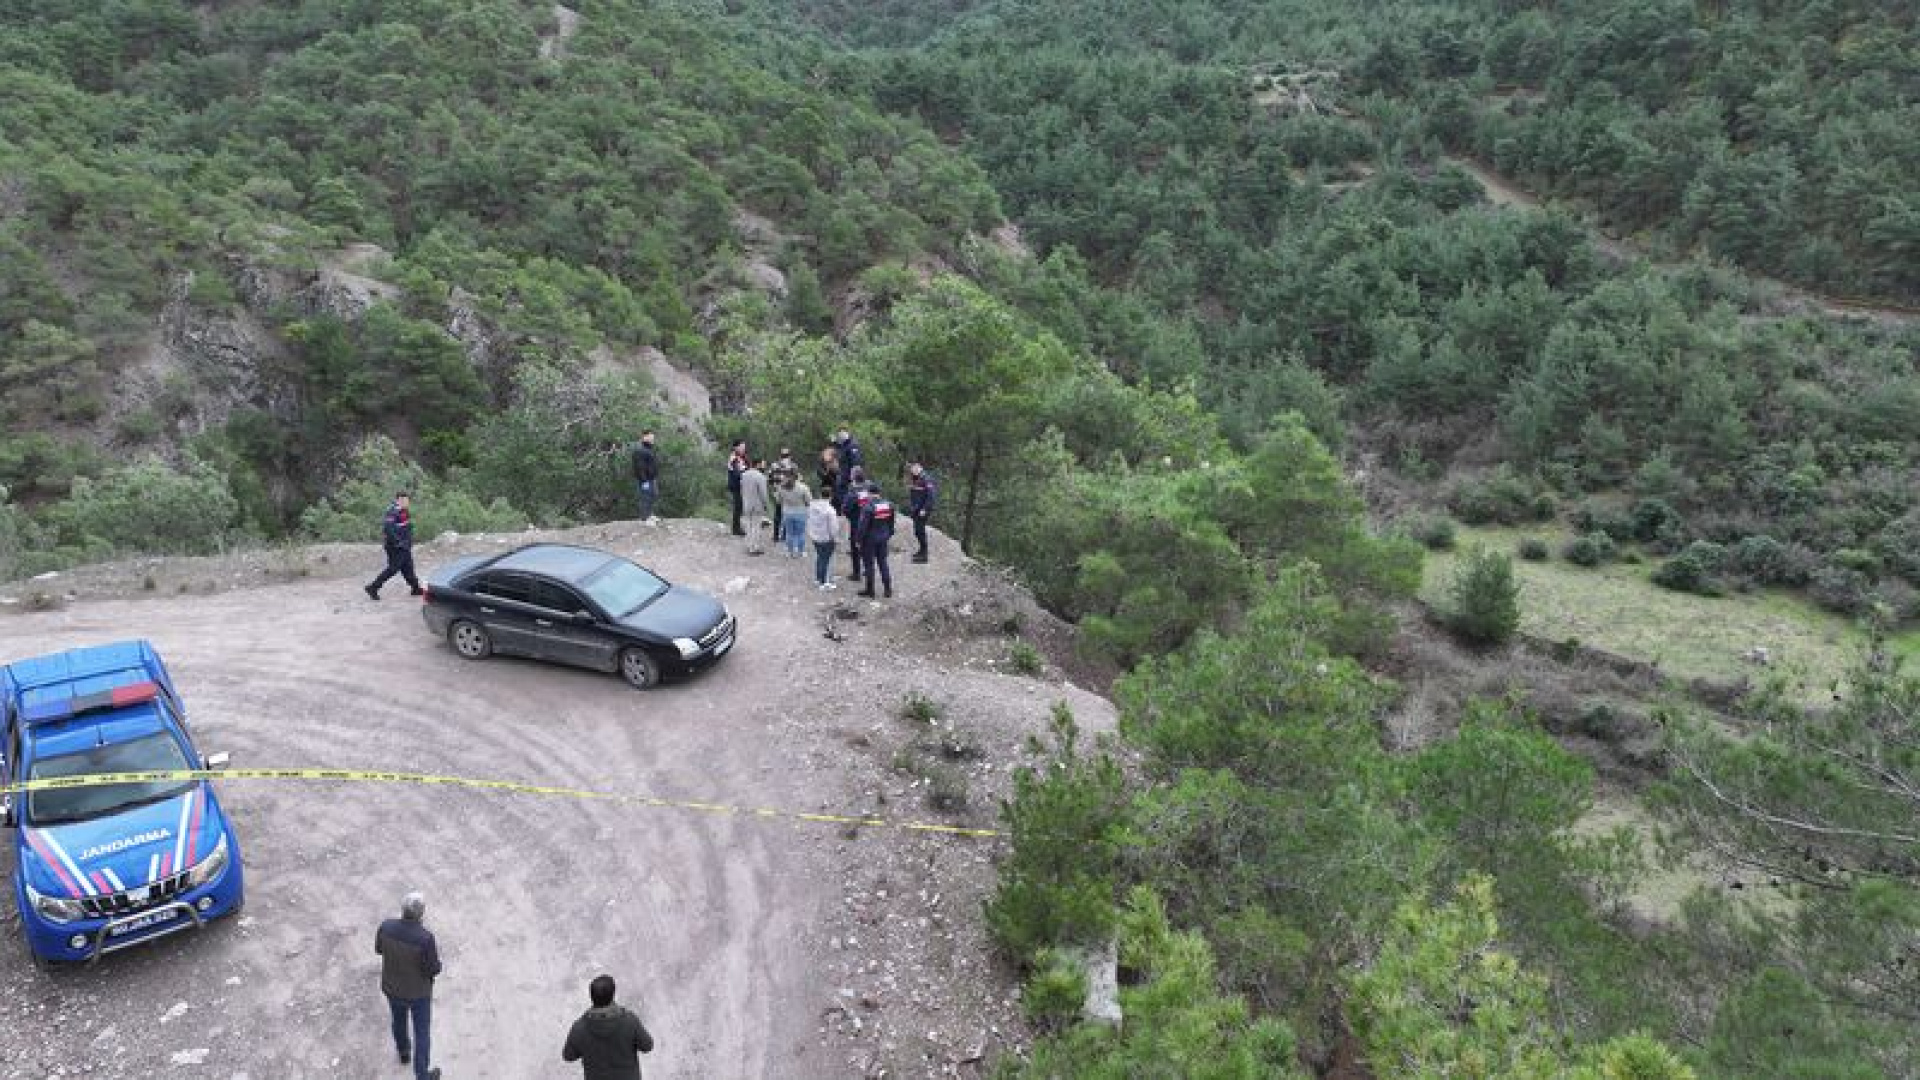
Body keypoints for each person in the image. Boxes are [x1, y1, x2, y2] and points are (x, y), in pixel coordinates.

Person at [376, 891, 443, 1080]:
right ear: (421, 914)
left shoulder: (386, 927)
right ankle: (422, 1075)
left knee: (398, 1020)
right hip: (418, 994)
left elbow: (379, 949)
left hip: (392, 988)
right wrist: (439, 965)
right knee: (422, 1033)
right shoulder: (425, 938)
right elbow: (433, 969)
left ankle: (403, 1051)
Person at [562, 974, 654, 1080]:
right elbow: (647, 1046)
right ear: (613, 994)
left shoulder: (579, 1027)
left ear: (591, 996)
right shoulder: (630, 1020)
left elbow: (568, 1056)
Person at [364, 492, 422, 600]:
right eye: (406, 500)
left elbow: (406, 527)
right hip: (396, 547)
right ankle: (373, 587)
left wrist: (409, 541)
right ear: (399, 500)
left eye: (408, 500)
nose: (408, 502)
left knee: (408, 567)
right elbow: (388, 529)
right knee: (393, 569)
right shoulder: (392, 511)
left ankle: (415, 588)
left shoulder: (404, 511)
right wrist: (398, 542)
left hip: (405, 545)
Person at [855, 481, 896, 599]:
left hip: (869, 540)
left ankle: (870, 590)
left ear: (870, 493)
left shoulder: (868, 507)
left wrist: (858, 540)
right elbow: (891, 522)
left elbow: (862, 526)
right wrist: (889, 533)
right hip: (883, 537)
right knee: (883, 562)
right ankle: (888, 589)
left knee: (869, 565)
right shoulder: (889, 505)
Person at [806, 493, 842, 590]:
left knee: (820, 557)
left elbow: (809, 521)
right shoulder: (830, 510)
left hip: (815, 537)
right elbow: (833, 527)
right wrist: (836, 538)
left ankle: (818, 578)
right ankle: (824, 582)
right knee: (826, 560)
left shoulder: (812, 507)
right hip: (826, 538)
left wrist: (811, 533)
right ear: (830, 497)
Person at [840, 466, 869, 583]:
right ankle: (868, 569)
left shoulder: (853, 491)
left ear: (854, 476)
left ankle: (856, 573)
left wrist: (850, 517)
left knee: (855, 548)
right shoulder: (869, 486)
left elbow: (846, 508)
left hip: (857, 523)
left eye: (851, 473)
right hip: (870, 521)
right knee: (867, 546)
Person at [906, 462, 937, 563]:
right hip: (916, 509)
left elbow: (931, 496)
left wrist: (925, 509)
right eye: (911, 470)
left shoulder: (926, 479)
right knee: (917, 531)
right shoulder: (916, 478)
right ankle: (921, 550)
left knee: (920, 531)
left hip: (922, 510)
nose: (912, 471)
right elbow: (914, 494)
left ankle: (924, 555)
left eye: (913, 469)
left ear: (919, 468)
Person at [775, 473, 812, 559]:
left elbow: (779, 501)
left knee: (789, 533)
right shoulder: (803, 487)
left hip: (787, 512)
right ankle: (801, 551)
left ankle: (789, 551)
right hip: (800, 512)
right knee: (801, 533)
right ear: (797, 477)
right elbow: (809, 500)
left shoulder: (781, 487)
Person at [740, 458, 770, 556]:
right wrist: (766, 505)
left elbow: (742, 489)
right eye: (762, 464)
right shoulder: (760, 476)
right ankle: (754, 548)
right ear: (758, 465)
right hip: (757, 505)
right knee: (756, 527)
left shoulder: (744, 475)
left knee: (748, 526)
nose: (764, 466)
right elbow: (763, 493)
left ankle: (748, 545)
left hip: (746, 503)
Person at [769, 449, 799, 543]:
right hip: (789, 492)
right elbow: (796, 478)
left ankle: (775, 536)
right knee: (787, 513)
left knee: (777, 514)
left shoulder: (774, 465)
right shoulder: (793, 465)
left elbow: (769, 479)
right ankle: (785, 536)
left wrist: (775, 485)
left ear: (780, 455)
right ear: (789, 456)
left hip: (777, 492)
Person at [631, 431, 659, 525]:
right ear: (644, 437)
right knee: (645, 498)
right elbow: (639, 467)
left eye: (653, 437)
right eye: (650, 437)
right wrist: (644, 481)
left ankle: (650, 514)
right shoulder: (640, 450)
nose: (652, 439)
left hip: (652, 478)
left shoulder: (649, 449)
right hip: (645, 480)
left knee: (653, 496)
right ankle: (645, 519)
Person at [725, 441, 748, 536]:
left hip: (740, 485)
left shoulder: (741, 457)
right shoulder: (734, 458)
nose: (744, 448)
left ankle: (737, 527)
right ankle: (736, 529)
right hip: (736, 486)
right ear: (736, 447)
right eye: (742, 447)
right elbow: (736, 473)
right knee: (738, 506)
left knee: (739, 506)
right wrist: (745, 472)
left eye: (744, 447)